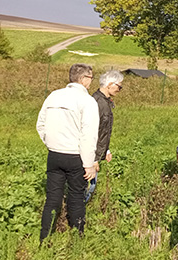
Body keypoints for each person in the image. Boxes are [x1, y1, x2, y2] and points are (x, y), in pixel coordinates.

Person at [36, 63, 99, 241]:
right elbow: (88, 135)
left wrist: (51, 143)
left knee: (52, 198)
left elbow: (40, 124)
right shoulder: (87, 101)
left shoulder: (54, 96)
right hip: (75, 156)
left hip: (54, 154)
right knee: (76, 197)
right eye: (91, 78)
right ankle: (77, 238)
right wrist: (89, 164)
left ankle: (45, 237)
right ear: (85, 79)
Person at [86, 69, 124, 203]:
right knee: (87, 188)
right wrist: (94, 159)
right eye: (119, 86)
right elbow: (91, 132)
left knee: (90, 186)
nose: (120, 89)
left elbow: (104, 130)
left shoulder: (105, 101)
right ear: (110, 84)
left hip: (96, 152)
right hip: (89, 155)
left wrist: (106, 149)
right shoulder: (97, 102)